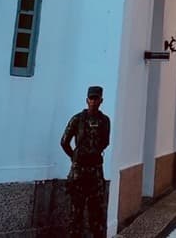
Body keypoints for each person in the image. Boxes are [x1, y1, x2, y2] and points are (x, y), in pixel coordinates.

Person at [61, 85, 111, 238]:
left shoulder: (104, 121)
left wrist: (92, 155)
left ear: (101, 100)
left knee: (96, 216)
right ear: (86, 100)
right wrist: (75, 157)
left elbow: (105, 142)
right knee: (75, 216)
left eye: (96, 99)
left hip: (95, 174)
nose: (93, 102)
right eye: (91, 98)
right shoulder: (77, 119)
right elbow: (64, 142)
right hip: (79, 175)